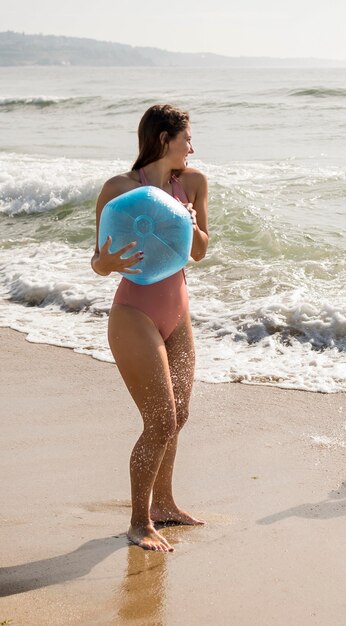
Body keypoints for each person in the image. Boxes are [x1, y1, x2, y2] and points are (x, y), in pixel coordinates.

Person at [91, 104, 209, 551]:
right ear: (163, 139)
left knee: (178, 417)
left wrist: (193, 223)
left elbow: (199, 252)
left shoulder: (194, 183)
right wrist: (106, 262)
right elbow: (98, 263)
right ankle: (139, 522)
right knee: (159, 419)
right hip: (134, 313)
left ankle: (165, 505)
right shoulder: (119, 189)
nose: (192, 148)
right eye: (187, 139)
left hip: (178, 312)